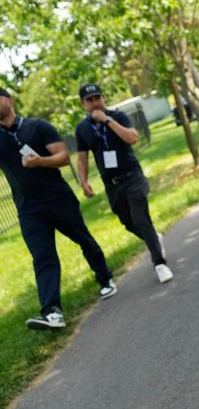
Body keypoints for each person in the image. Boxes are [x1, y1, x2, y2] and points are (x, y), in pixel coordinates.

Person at [0, 87, 116, 330]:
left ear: (9, 101)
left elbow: (63, 157)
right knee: (43, 258)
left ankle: (105, 278)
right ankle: (52, 312)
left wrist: (40, 161)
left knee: (84, 240)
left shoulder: (37, 126)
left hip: (58, 199)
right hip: (28, 209)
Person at [75, 83, 173, 284]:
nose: (95, 103)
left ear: (103, 98)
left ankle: (159, 263)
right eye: (90, 100)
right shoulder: (82, 128)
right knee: (128, 222)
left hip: (132, 176)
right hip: (112, 184)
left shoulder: (117, 116)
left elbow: (132, 138)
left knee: (141, 218)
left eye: (97, 98)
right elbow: (83, 157)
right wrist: (83, 181)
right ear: (83, 104)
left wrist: (107, 120)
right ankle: (153, 238)